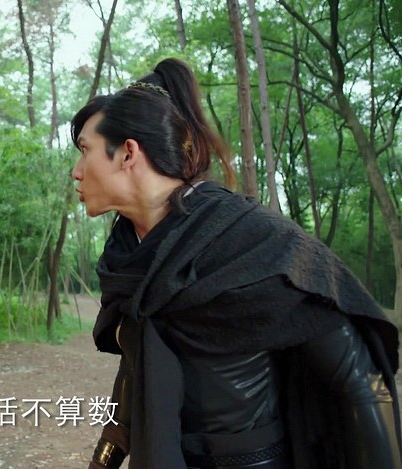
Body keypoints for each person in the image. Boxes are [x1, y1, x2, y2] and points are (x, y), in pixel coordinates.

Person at [70, 58, 402, 469]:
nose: (77, 171)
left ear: (128, 153)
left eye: (85, 150)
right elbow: (139, 371)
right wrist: (103, 460)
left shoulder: (254, 241)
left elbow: (361, 381)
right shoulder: (132, 258)